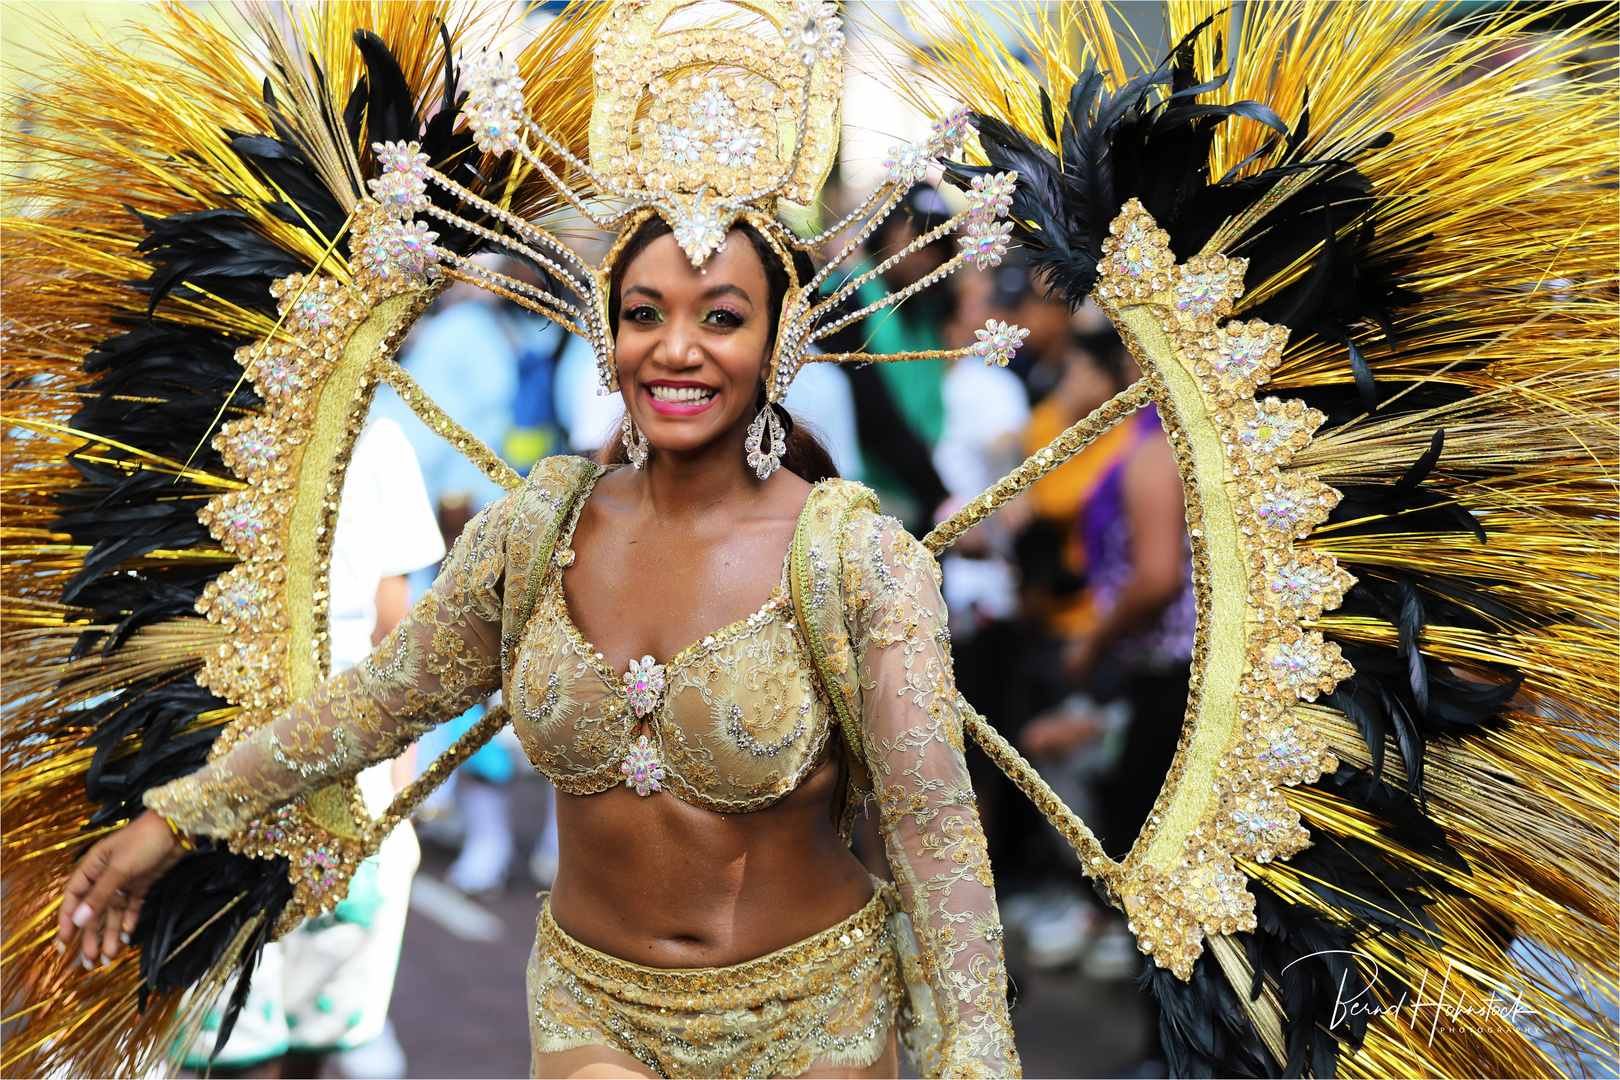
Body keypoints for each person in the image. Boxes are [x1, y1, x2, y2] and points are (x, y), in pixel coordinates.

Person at [57, 211, 1020, 1077]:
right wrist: (177, 818)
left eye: (722, 318)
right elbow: (375, 703)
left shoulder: (857, 557)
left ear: (781, 339)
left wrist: (976, 1053)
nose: (676, 350)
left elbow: (929, 822)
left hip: (814, 1018)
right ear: (608, 335)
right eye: (646, 313)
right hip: (590, 1008)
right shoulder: (540, 530)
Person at [176, 418, 445, 1079]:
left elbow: (395, 637)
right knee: (230, 1052)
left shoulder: (376, 436)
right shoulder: (173, 428)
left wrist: (394, 788)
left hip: (349, 793)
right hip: (210, 779)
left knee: (315, 1041)